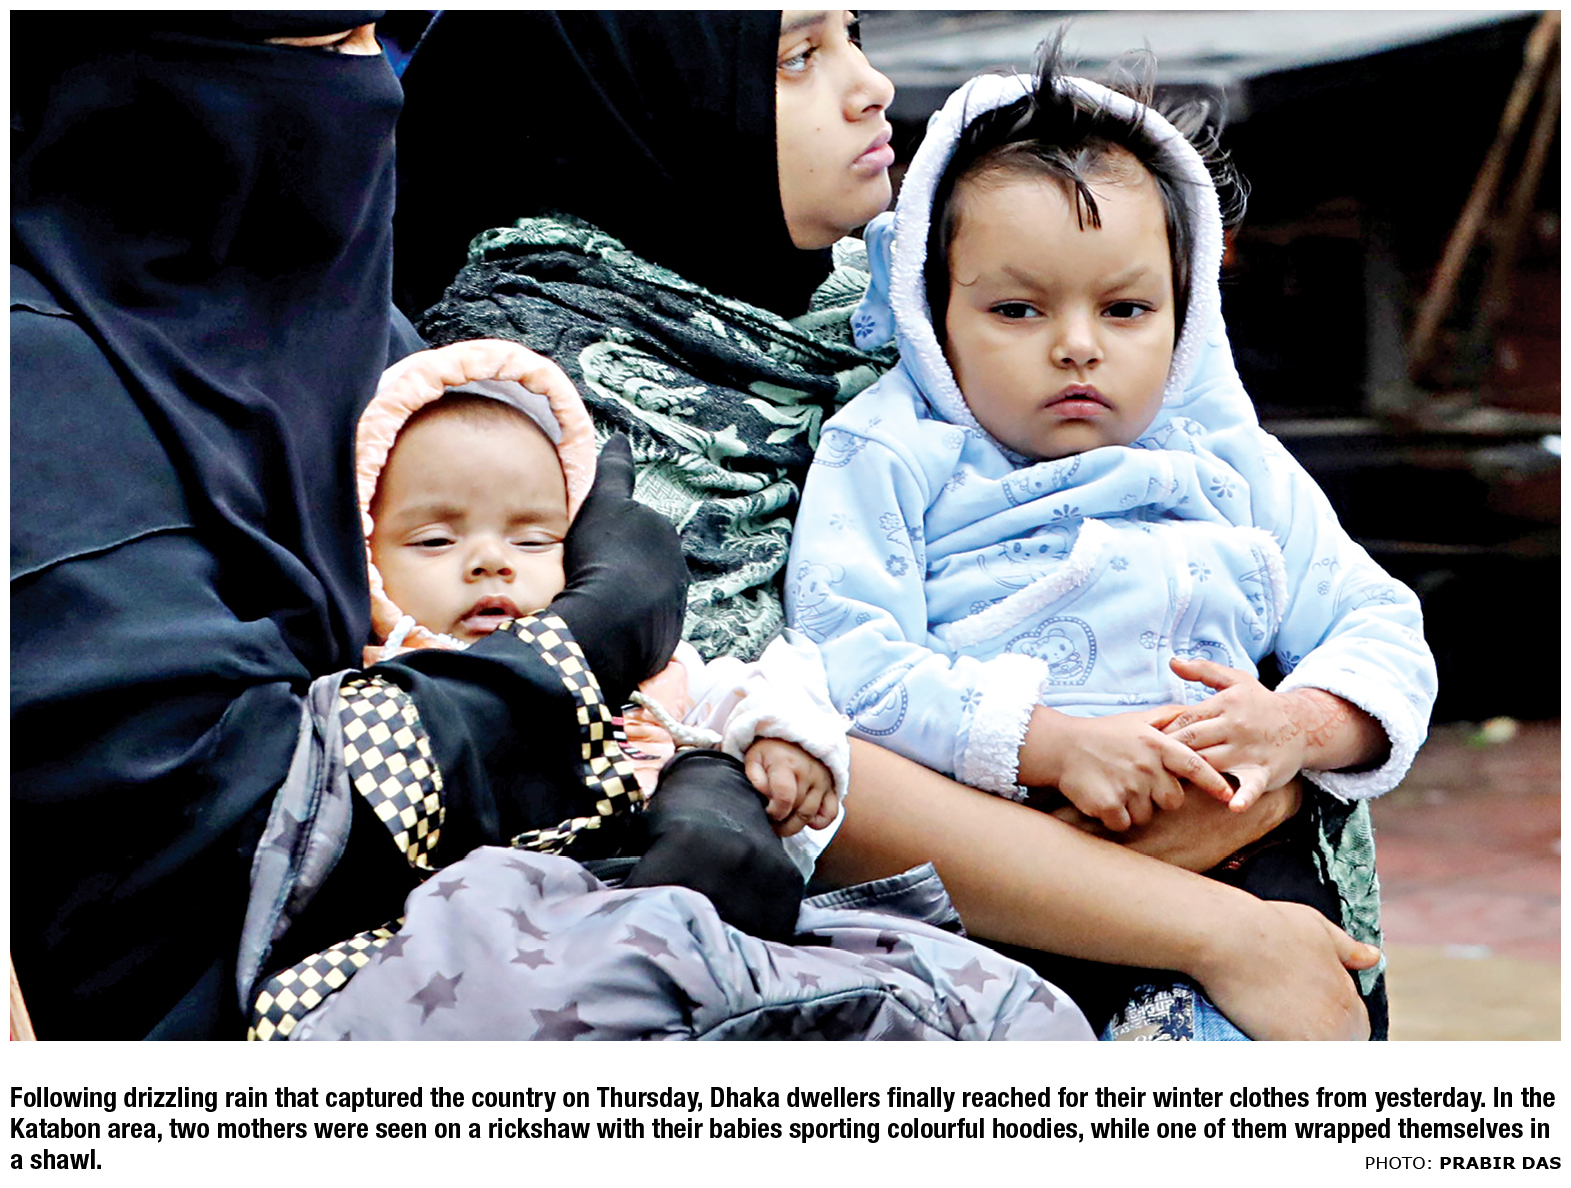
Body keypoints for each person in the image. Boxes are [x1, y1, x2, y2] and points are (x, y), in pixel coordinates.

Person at [398, 9, 1383, 1040]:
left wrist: (1274, 756)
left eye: (855, 34)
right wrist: (1217, 927)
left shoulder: (905, 298)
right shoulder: (531, 400)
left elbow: (1299, 603)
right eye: (797, 56)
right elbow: (752, 744)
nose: (869, 87)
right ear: (646, 100)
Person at [785, 47, 1439, 1036]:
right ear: (930, 311)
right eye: (1016, 309)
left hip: (1247, 863)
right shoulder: (891, 452)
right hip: (1005, 898)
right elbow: (842, 661)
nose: (1077, 345)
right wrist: (1049, 745)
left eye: (1126, 309)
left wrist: (1294, 727)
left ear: (1186, 313)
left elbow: (1379, 623)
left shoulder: (1230, 464)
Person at [356, 338, 852, 936]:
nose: (492, 561)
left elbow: (748, 686)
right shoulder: (377, 683)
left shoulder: (641, 670)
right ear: (366, 554)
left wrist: (781, 740)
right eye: (436, 540)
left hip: (654, 920)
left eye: (533, 540)